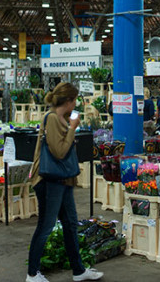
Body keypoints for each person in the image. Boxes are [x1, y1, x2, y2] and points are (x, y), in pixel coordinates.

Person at [27, 82, 103, 282]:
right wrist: (72, 129)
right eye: (75, 99)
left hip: (63, 180)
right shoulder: (52, 118)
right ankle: (32, 273)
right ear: (68, 101)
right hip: (49, 180)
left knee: (70, 224)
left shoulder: (61, 117)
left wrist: (71, 127)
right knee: (46, 225)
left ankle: (78, 270)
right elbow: (59, 152)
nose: (76, 103)